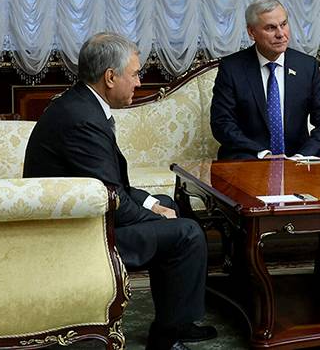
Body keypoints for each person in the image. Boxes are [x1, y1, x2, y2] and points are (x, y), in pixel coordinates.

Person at [23, 33, 216, 350]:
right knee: (187, 233)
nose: (139, 83)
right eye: (135, 74)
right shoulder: (82, 120)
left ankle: (176, 321)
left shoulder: (81, 104)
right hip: (79, 235)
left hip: (88, 217)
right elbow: (113, 200)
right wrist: (160, 218)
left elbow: (113, 187)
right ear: (110, 77)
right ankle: (166, 339)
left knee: (167, 204)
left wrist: (153, 206)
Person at [210, 0, 320, 160]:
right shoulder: (232, 68)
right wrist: (263, 153)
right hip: (251, 156)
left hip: (297, 156)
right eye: (270, 28)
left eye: (283, 24)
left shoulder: (306, 66)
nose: (281, 34)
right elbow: (221, 123)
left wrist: (303, 154)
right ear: (251, 32)